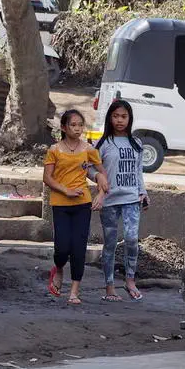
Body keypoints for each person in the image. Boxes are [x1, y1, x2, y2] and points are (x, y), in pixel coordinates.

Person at [43, 110, 109, 305]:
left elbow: (103, 175)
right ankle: (59, 268)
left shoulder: (89, 149)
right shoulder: (54, 150)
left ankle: (74, 291)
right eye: (73, 125)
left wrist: (101, 195)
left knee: (78, 248)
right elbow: (47, 178)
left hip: (82, 204)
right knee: (62, 248)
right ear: (64, 127)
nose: (78, 128)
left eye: (81, 124)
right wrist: (66, 191)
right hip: (60, 203)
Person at [93, 100, 149, 302]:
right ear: (110, 118)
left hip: (132, 199)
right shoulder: (102, 144)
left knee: (132, 240)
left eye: (123, 116)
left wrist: (143, 192)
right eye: (115, 116)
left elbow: (138, 171)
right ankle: (109, 286)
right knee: (110, 244)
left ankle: (130, 280)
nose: (119, 120)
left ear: (129, 119)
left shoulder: (137, 143)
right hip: (108, 201)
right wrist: (99, 179)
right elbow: (89, 168)